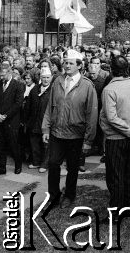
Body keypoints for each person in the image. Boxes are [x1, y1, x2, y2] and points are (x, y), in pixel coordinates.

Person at [42, 49, 98, 208]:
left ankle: (69, 195)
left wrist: (88, 140)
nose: (66, 65)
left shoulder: (87, 86)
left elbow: (92, 115)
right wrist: (45, 129)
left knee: (72, 167)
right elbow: (49, 108)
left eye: (71, 63)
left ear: (79, 66)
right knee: (53, 164)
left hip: (76, 135)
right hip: (57, 133)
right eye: (65, 62)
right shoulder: (57, 81)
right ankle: (53, 196)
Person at [99, 56, 130, 212]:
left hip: (117, 139)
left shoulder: (109, 89)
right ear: (126, 69)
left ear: (112, 70)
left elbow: (112, 118)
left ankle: (117, 210)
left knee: (116, 175)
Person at [0, 65, 24, 175]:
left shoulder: (18, 85)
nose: (1, 77)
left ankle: (18, 165)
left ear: (10, 73)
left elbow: (18, 103)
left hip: (11, 121)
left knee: (14, 144)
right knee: (0, 145)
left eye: (3, 75)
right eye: (0, 75)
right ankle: (1, 167)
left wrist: (5, 115)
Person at [24, 67, 52, 173]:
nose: (45, 80)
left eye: (48, 78)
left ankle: (45, 164)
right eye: (44, 77)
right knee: (34, 143)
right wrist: (26, 120)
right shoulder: (35, 89)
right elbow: (28, 106)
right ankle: (36, 162)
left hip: (46, 122)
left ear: (51, 78)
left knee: (46, 144)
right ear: (40, 78)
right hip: (34, 121)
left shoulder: (53, 90)